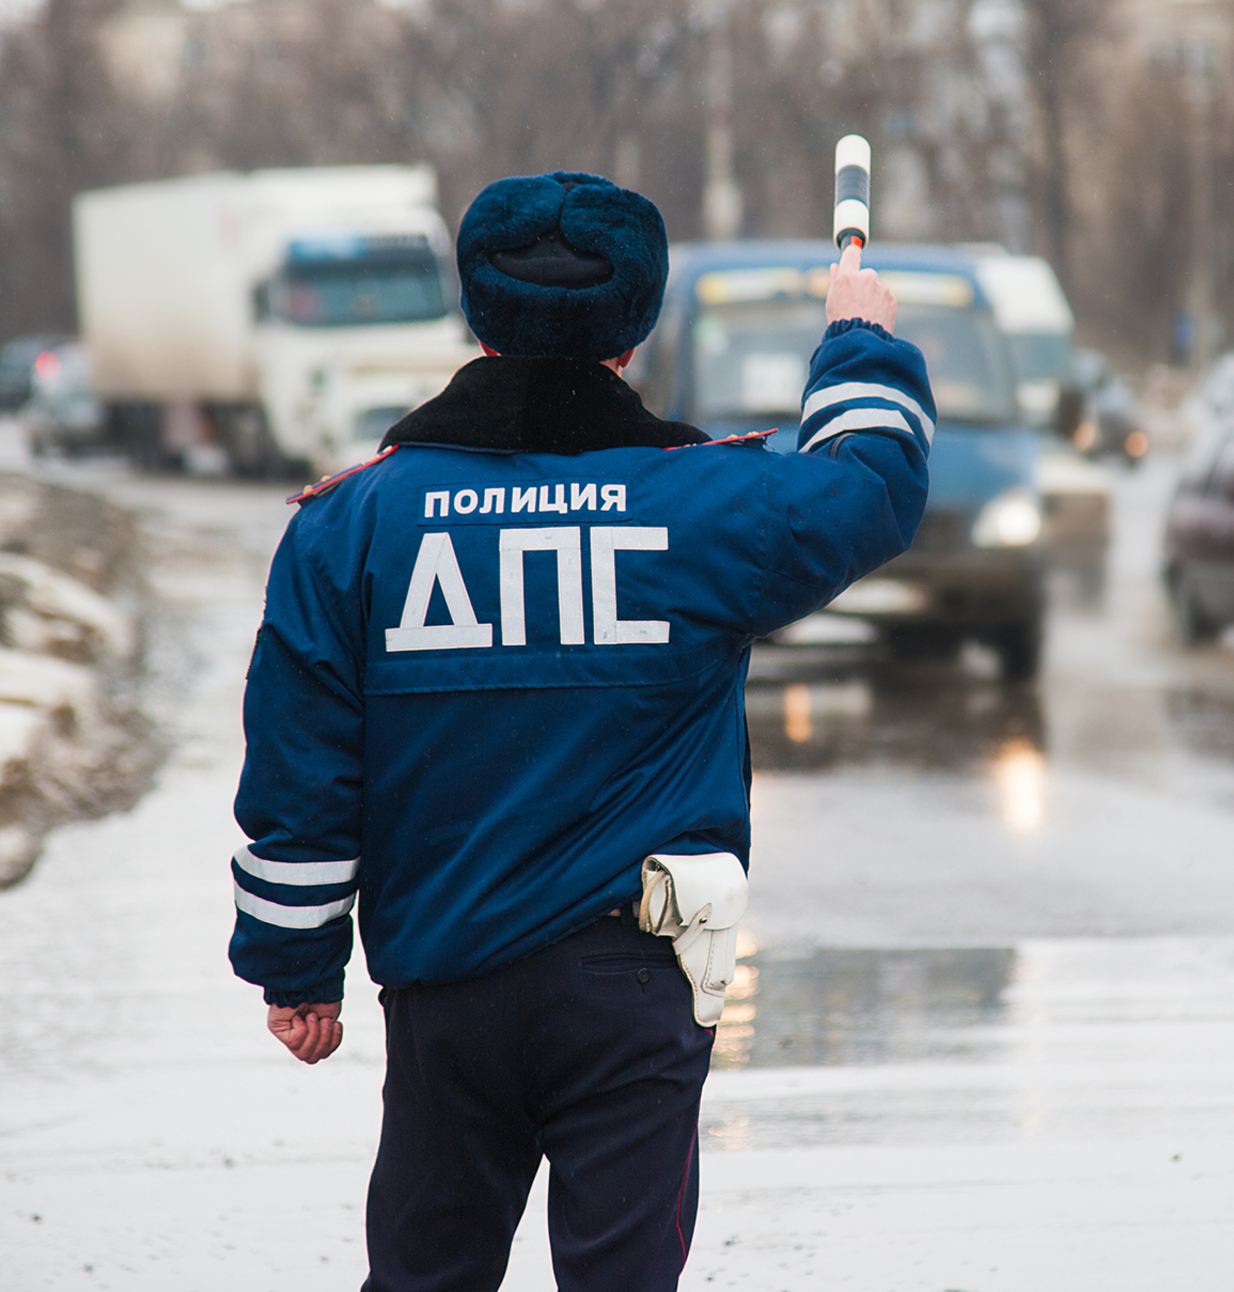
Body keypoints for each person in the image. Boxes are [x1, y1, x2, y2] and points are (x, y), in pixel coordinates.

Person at [228, 170, 932, 1291]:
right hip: (634, 987)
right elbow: (872, 487)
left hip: (442, 981)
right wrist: (854, 336)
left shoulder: (350, 522)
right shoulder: (707, 506)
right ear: (637, 322)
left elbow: (301, 766)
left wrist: (295, 966)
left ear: (477, 312)